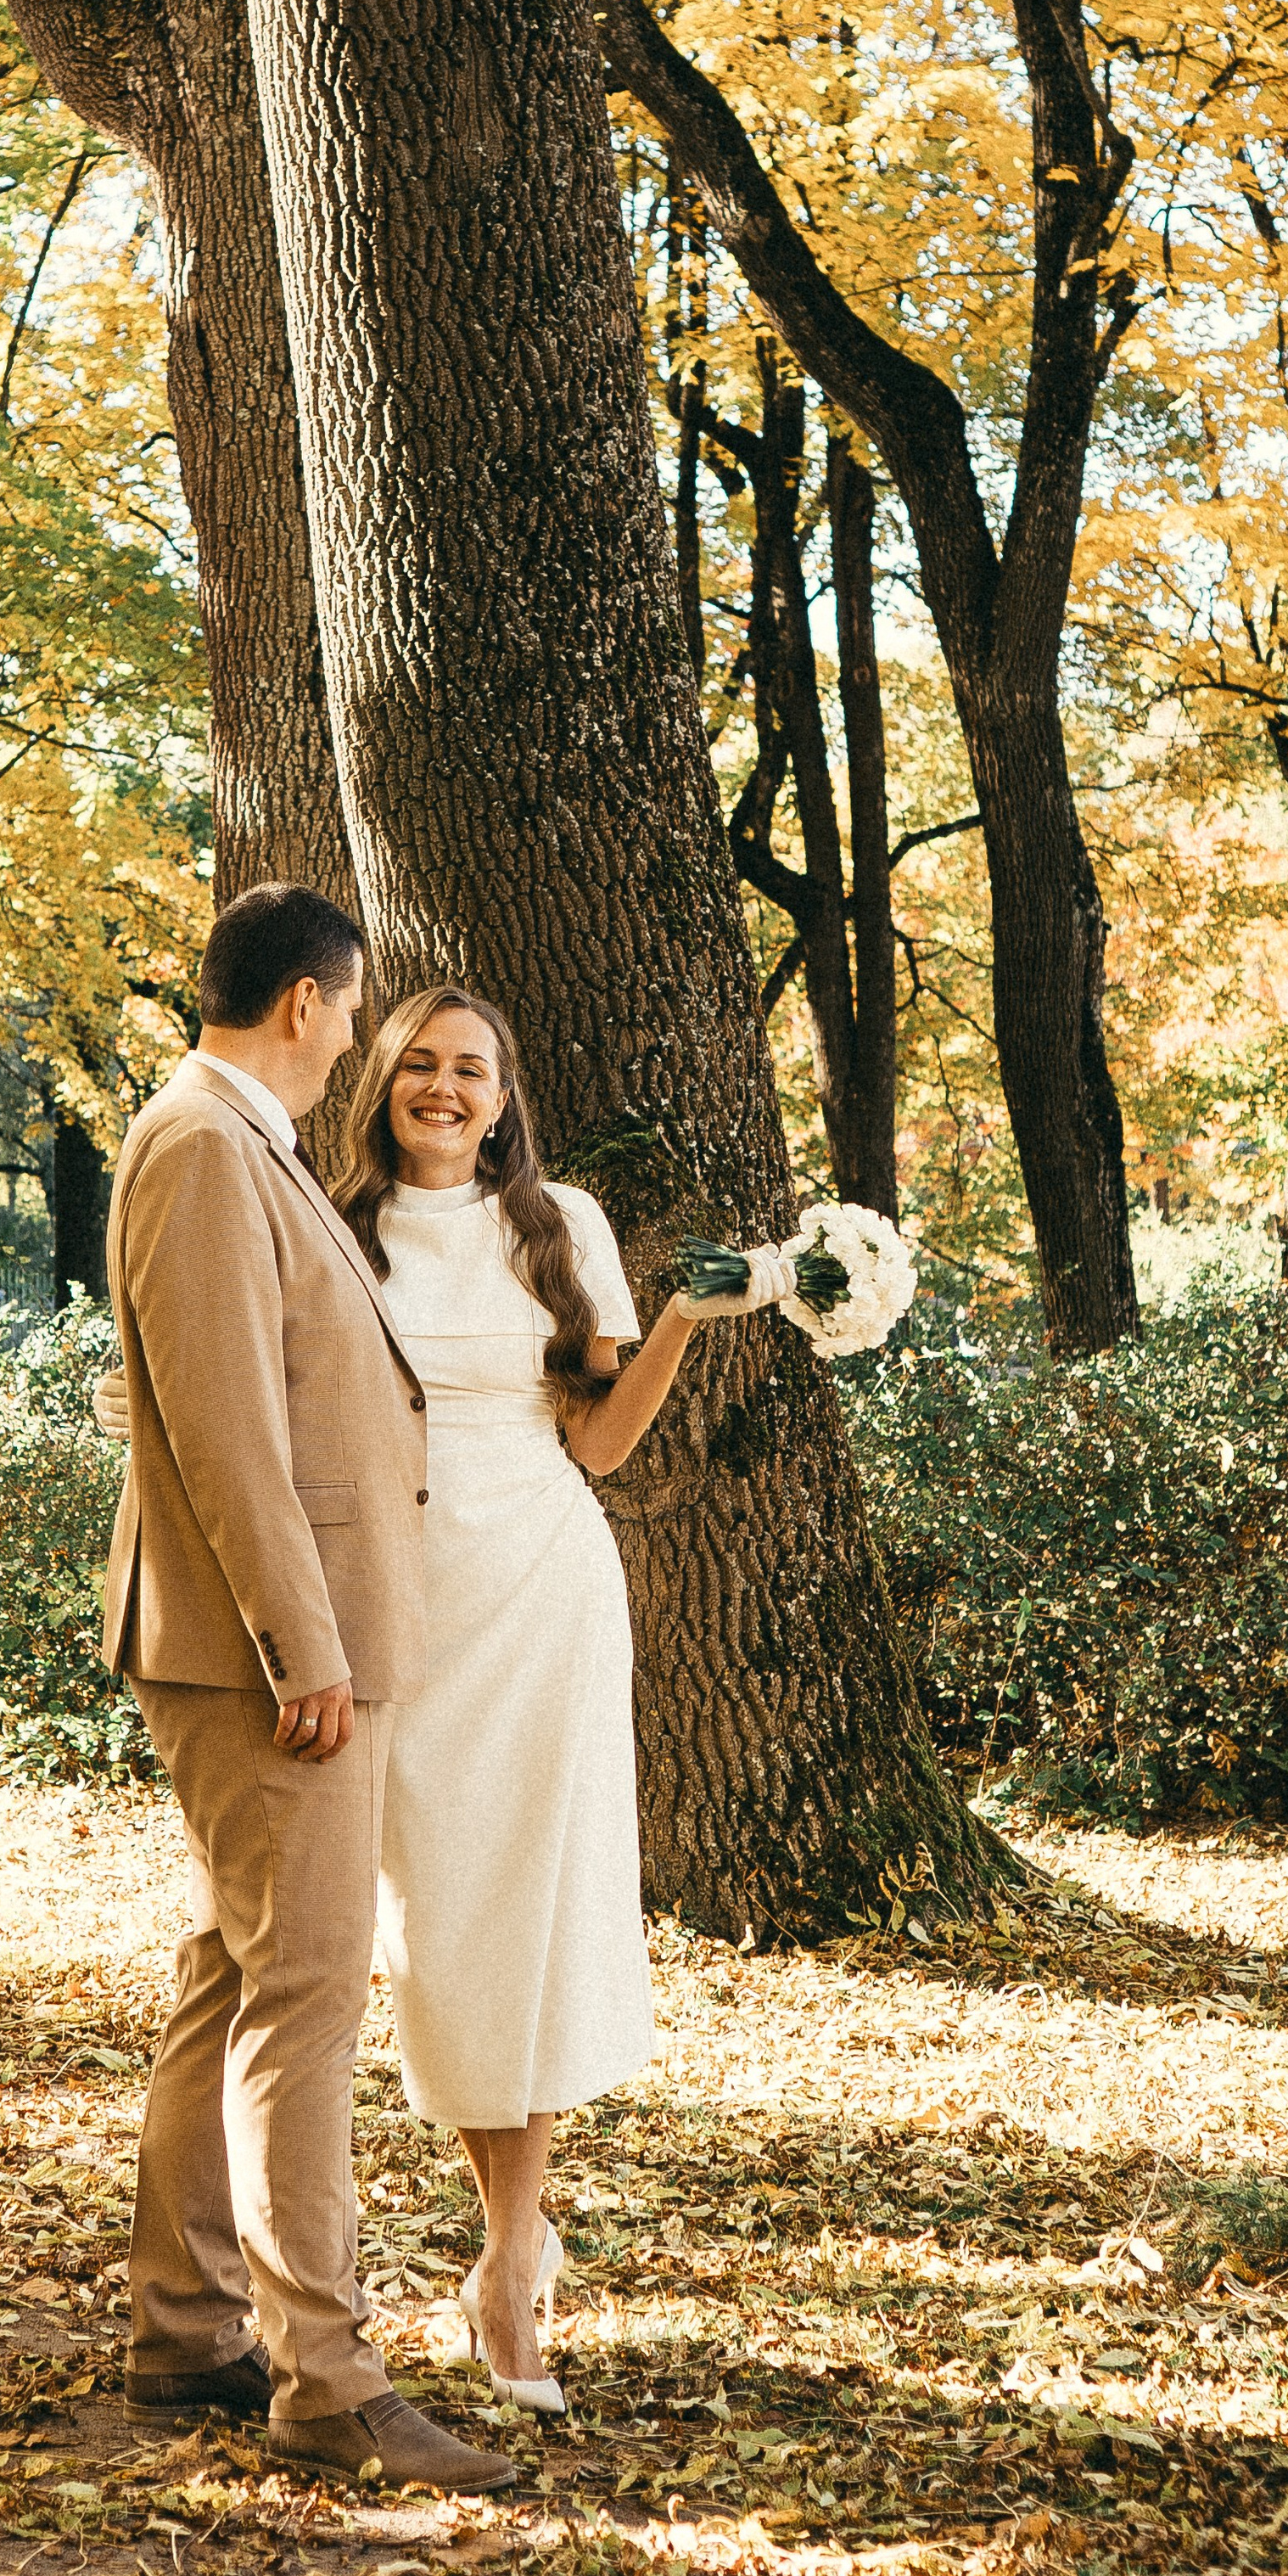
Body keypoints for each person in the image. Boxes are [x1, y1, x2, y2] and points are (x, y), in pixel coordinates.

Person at [101, 886, 516, 2497]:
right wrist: (308, 1648)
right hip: (264, 1658)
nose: (358, 1038)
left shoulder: (235, 1142)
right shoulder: (206, 1148)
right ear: (302, 1002)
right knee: (310, 1996)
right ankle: (327, 2381)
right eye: (351, 1012)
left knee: (235, 1978)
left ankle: (186, 2329)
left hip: (257, 1647)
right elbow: (225, 1433)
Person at [333, 988, 735, 2415]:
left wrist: (682, 1312)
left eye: (472, 1072)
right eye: (420, 1067)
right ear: (381, 1082)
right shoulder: (333, 1228)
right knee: (438, 1928)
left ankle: (511, 2261)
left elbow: (607, 1446)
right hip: (402, 1610)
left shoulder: (560, 1225)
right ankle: (511, 2244)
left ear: (505, 1099)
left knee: (540, 1913)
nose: (444, 1090)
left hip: (547, 1594)